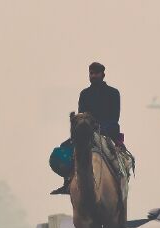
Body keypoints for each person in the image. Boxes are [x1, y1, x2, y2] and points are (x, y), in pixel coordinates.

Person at [51, 62, 122, 195]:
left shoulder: (113, 93)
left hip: (107, 131)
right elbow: (82, 115)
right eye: (91, 73)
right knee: (65, 148)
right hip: (87, 132)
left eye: (96, 73)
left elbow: (115, 117)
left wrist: (99, 128)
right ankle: (68, 182)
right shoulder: (85, 94)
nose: (93, 76)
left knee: (113, 156)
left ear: (103, 74)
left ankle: (119, 180)